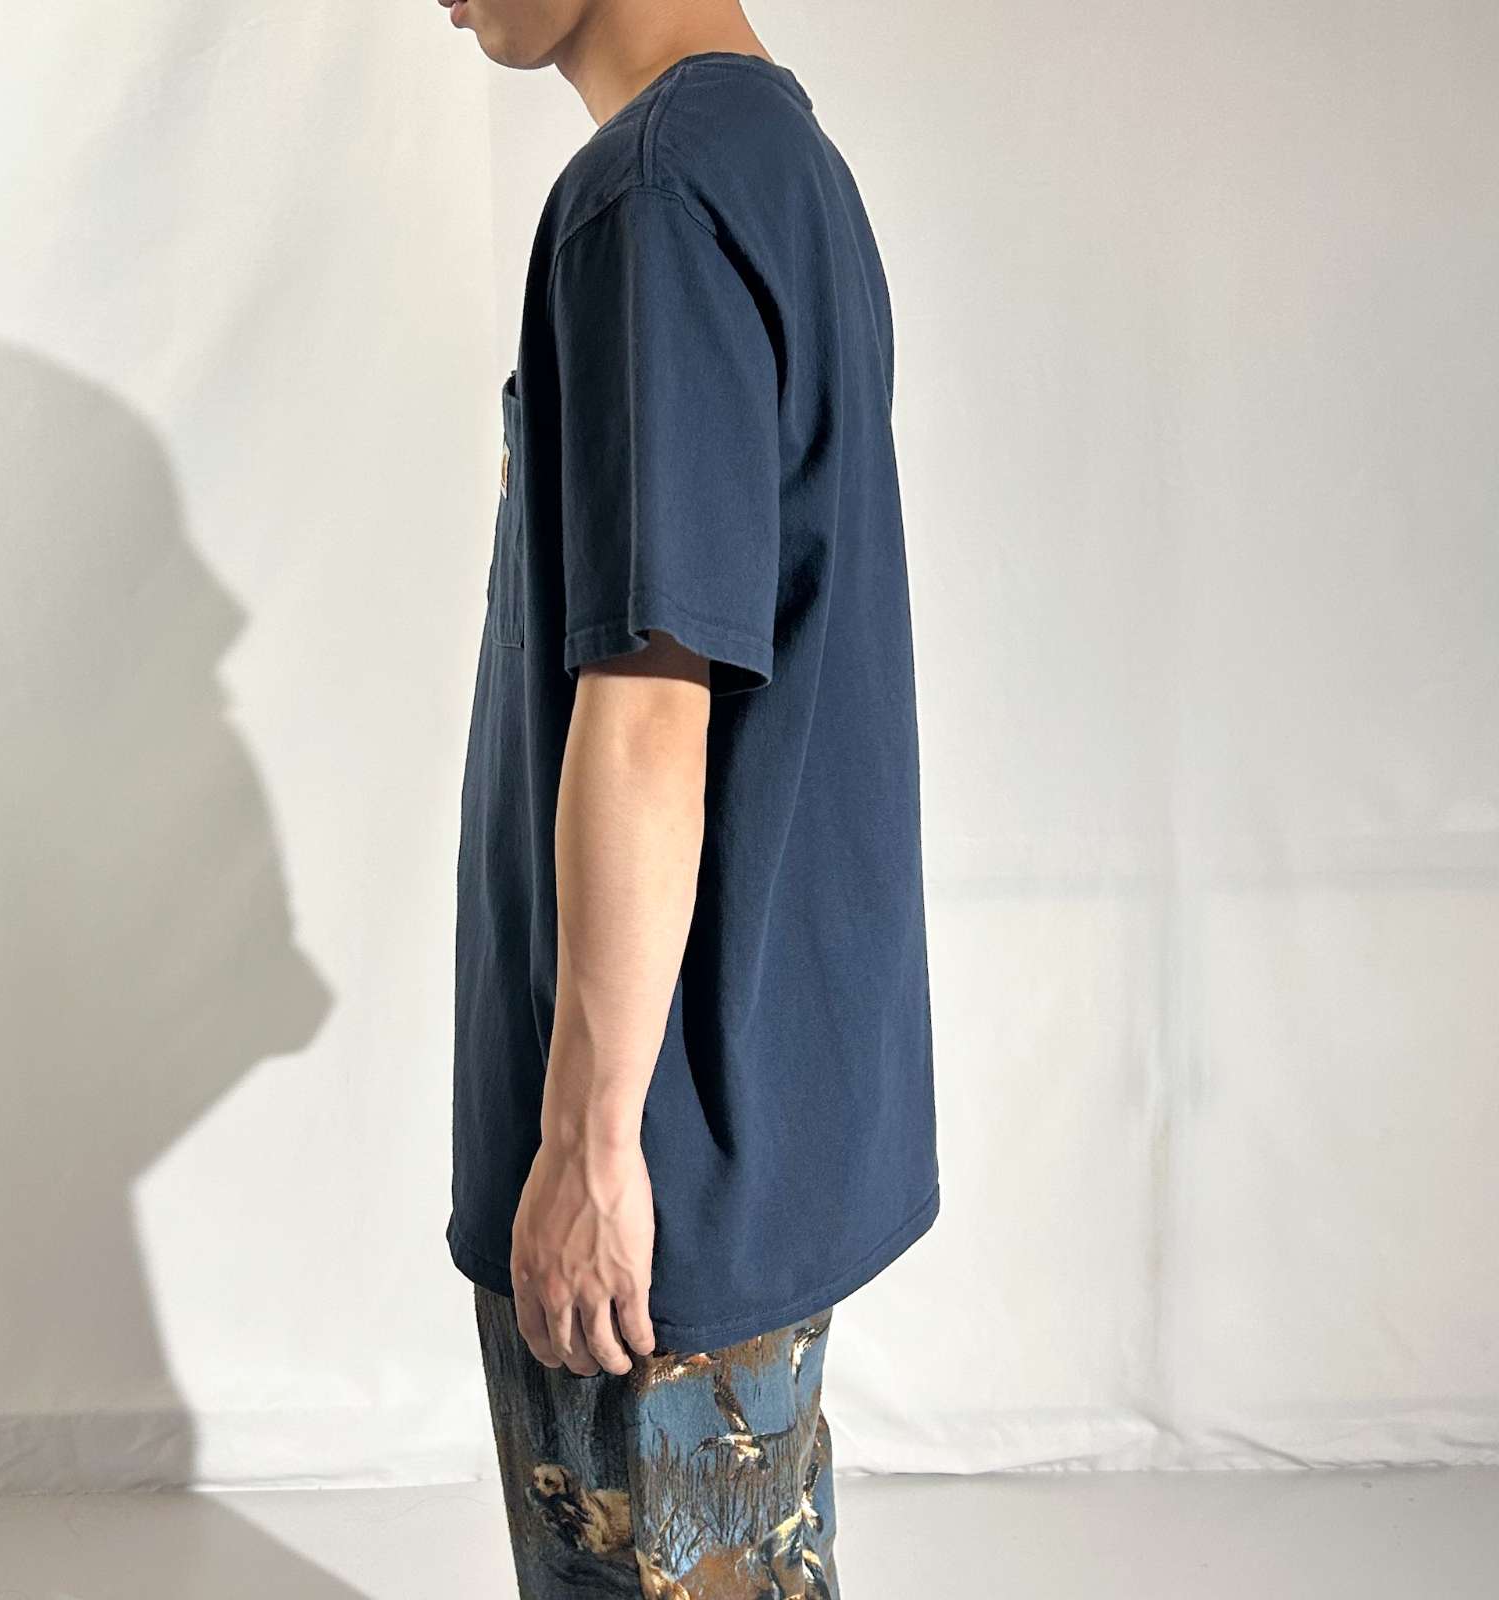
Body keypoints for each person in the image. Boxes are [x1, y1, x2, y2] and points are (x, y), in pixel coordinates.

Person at [441, 2, 939, 1593]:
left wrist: (588, 1140)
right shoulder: (780, 162)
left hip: (653, 1165)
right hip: (741, 1119)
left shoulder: (654, 197)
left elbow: (656, 701)